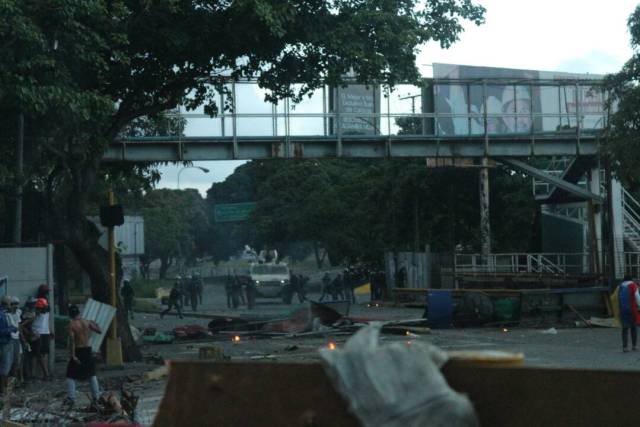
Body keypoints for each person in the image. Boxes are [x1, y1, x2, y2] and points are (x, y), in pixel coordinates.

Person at [65, 305, 101, 408]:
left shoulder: (71, 325)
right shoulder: (87, 322)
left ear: (70, 314)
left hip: (78, 350)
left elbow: (72, 341)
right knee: (91, 374)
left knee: (70, 375)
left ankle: (71, 398)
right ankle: (96, 397)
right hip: (87, 350)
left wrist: (73, 355)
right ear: (78, 313)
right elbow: (99, 330)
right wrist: (95, 324)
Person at [618, 276, 640, 352]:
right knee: (633, 328)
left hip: (623, 310)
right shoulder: (633, 285)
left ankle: (625, 347)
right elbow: (637, 297)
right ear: (631, 279)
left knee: (625, 328)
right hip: (632, 309)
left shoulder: (620, 286)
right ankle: (634, 346)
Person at [31, 298, 52, 380]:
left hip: (39, 334)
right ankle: (44, 373)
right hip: (43, 333)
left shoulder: (37, 313)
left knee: (38, 355)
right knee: (40, 354)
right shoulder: (46, 312)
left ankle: (44, 373)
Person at [0, 298, 17, 394]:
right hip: (4, 343)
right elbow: (2, 331)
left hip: (5, 342)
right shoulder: (2, 316)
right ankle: (3, 390)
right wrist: (11, 329)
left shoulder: (4, 314)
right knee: (5, 367)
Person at [5, 297, 22, 386]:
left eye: (16, 304)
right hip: (10, 339)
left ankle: (13, 383)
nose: (15, 306)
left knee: (17, 361)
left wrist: (23, 340)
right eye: (13, 304)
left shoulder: (18, 313)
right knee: (9, 362)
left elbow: (19, 327)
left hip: (17, 339)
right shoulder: (6, 315)